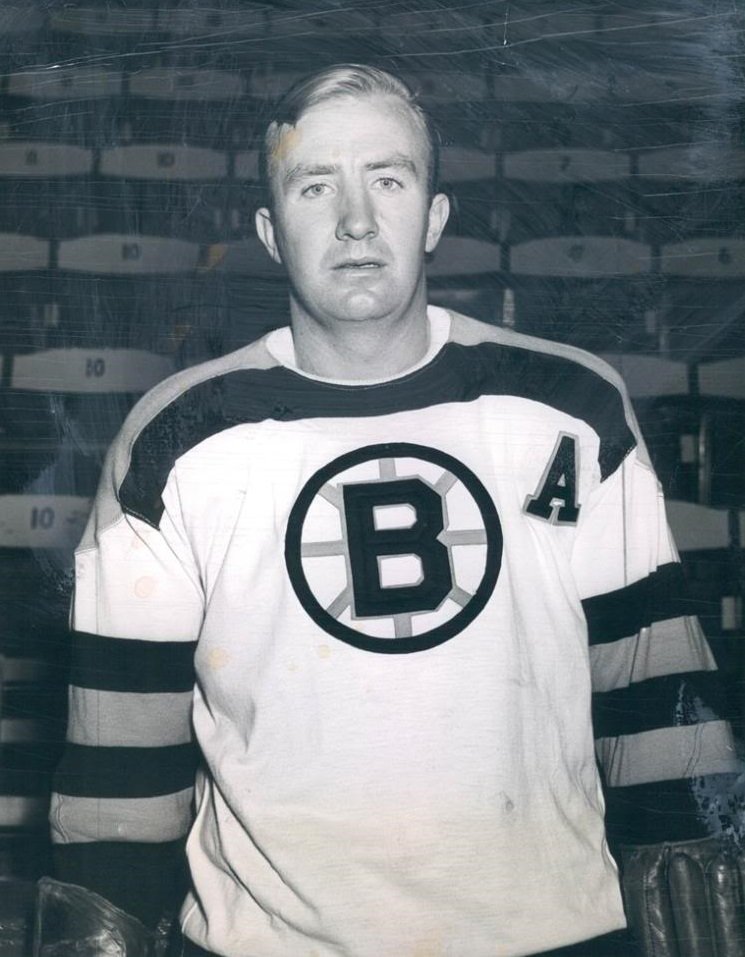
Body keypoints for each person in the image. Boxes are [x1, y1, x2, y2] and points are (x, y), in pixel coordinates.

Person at [48, 64, 744, 957]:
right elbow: (117, 771)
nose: (356, 221)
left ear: (435, 217)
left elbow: (654, 696)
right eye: (314, 186)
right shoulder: (174, 438)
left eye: (388, 179)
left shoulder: (568, 406)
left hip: (554, 936)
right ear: (268, 231)